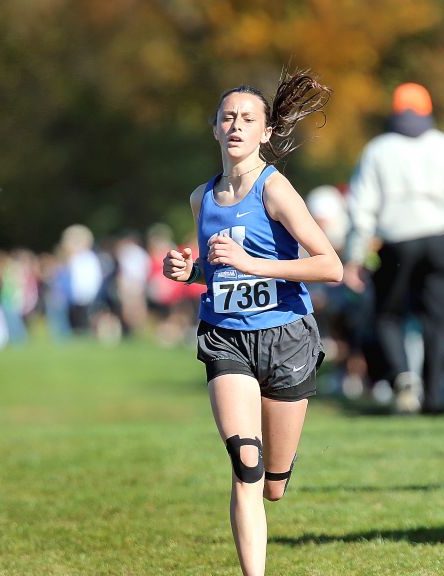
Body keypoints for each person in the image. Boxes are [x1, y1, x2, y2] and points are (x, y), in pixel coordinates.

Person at [162, 70, 341, 576]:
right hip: (226, 337)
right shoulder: (202, 198)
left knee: (274, 485)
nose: (236, 126)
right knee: (246, 463)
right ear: (215, 129)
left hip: (287, 337)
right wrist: (190, 272)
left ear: (265, 132)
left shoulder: (275, 189)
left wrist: (254, 263)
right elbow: (218, 274)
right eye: (228, 118)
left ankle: (281, 471)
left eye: (247, 119)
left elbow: (331, 266)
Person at [343, 83, 444, 414]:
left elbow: (361, 209)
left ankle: (402, 376)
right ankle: (435, 396)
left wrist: (354, 257)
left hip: (395, 243)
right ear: (428, 109)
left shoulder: (378, 150)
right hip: (443, 242)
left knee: (387, 315)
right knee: (438, 322)